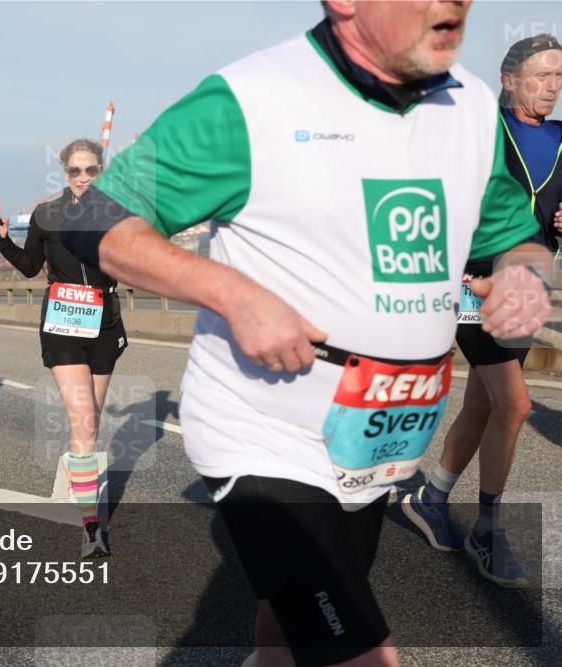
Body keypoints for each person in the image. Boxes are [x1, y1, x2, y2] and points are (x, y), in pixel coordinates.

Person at [60, 2, 553, 664]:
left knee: (286, 642)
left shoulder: (471, 108)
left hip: (378, 443)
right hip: (266, 437)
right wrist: (231, 292)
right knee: (359, 652)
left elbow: (511, 234)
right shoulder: (252, 98)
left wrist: (526, 276)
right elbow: (96, 217)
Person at [401, 34, 561, 590]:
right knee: (514, 405)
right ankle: (487, 531)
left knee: (483, 403)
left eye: (560, 76)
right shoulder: (478, 132)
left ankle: (432, 498)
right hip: (474, 284)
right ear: (510, 79)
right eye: (542, 75)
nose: (553, 87)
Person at [0, 138, 127, 559]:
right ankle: (91, 528)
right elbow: (29, 267)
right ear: (64, 174)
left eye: (91, 171)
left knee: (91, 425)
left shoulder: (117, 212)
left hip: (105, 320)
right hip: (63, 322)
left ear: (102, 171)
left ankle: (76, 467)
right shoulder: (47, 213)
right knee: (82, 422)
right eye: (74, 171)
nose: (82, 178)